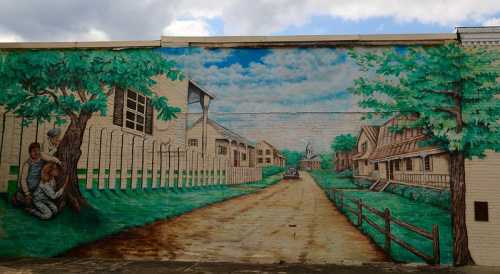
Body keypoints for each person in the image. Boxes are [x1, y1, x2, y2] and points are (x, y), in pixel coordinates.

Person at [13, 142, 61, 208]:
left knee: (40, 197)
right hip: (29, 187)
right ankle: (23, 198)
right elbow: (23, 179)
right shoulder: (27, 164)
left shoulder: (42, 157)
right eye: (33, 151)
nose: (36, 153)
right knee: (22, 199)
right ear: (30, 153)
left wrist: (58, 162)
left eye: (38, 150)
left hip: (38, 187)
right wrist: (27, 193)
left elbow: (50, 158)